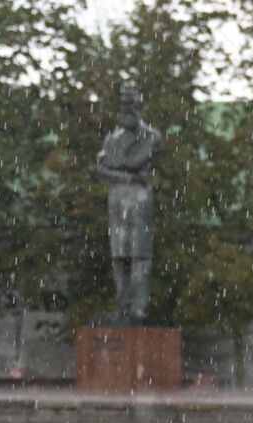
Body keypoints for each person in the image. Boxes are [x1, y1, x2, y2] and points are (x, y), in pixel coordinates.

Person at [94, 86, 161, 325]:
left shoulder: (151, 136)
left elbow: (134, 160)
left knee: (139, 255)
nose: (128, 110)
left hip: (140, 201)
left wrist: (116, 169)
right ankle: (121, 306)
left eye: (133, 105)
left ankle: (138, 309)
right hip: (117, 201)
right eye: (124, 106)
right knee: (119, 256)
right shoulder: (111, 139)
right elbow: (101, 168)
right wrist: (128, 175)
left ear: (140, 108)